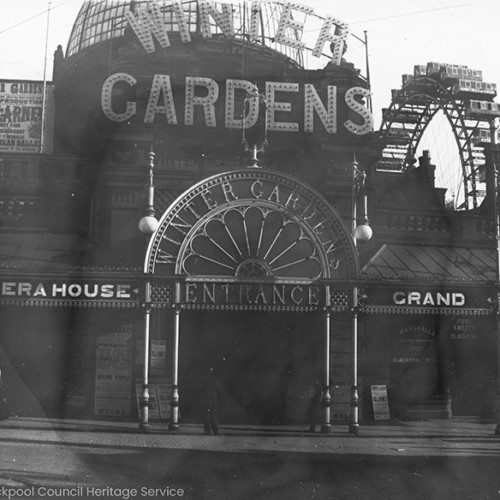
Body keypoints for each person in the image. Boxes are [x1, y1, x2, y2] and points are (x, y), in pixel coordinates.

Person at [202, 367, 221, 435]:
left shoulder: (204, 379)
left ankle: (208, 431)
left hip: (207, 399)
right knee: (213, 415)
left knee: (207, 415)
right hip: (214, 399)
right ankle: (216, 431)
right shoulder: (216, 379)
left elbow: (201, 390)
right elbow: (218, 390)